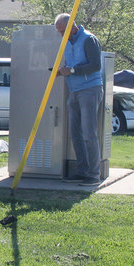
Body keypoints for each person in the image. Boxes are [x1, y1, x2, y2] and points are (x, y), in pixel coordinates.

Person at [55, 13, 103, 186]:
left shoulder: (89, 39)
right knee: (75, 132)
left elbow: (96, 65)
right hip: (73, 91)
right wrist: (62, 71)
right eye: (59, 32)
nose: (62, 36)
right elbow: (70, 65)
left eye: (63, 31)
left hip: (89, 89)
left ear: (72, 27)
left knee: (89, 133)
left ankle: (94, 174)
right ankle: (82, 170)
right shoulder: (67, 42)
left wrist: (73, 70)